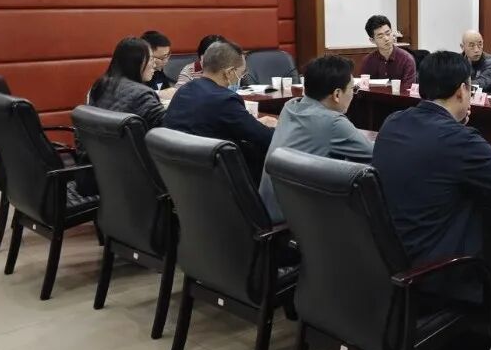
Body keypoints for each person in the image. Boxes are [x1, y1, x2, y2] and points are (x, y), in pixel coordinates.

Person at [372, 51, 491, 350]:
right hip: (433, 270)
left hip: (388, 258)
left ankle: (447, 349)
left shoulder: (394, 122)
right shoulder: (457, 138)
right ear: (463, 90)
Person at [258, 56, 373, 224]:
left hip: (269, 210)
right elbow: (375, 155)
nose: (353, 94)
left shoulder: (290, 106)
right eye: (352, 89)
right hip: (295, 222)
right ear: (337, 94)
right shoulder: (332, 122)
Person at [164, 40, 277, 159]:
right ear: (229, 72)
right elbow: (265, 138)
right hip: (211, 165)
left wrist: (254, 123)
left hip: (177, 164)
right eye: (242, 73)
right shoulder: (225, 100)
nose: (241, 77)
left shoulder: (184, 90)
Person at [87, 37, 166, 128]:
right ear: (137, 61)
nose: (154, 65)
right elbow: (169, 125)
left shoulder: (100, 84)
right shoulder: (142, 95)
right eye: (151, 59)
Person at [360, 14, 417, 85]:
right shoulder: (367, 61)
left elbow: (408, 89)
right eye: (380, 36)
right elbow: (364, 88)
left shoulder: (407, 60)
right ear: (372, 40)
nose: (386, 39)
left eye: (388, 33)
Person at [141, 30, 176, 100]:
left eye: (167, 55)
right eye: (162, 58)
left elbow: (167, 91)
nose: (166, 61)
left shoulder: (158, 71)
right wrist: (158, 94)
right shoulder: (136, 75)